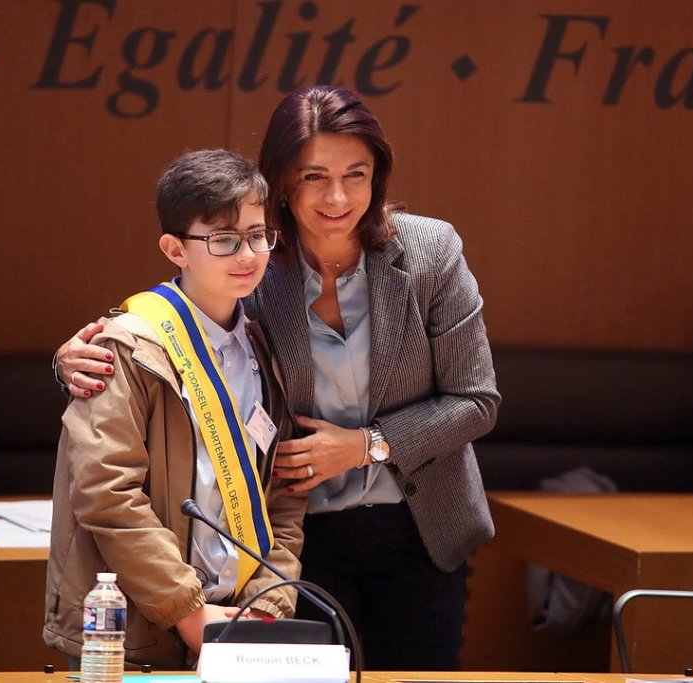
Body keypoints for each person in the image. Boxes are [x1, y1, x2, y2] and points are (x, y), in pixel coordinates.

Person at [54, 85, 501, 670]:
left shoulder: (429, 253)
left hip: (421, 529)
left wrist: (367, 446)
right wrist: (74, 357)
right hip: (300, 538)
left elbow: (477, 400)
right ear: (282, 182)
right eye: (314, 176)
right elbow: (176, 326)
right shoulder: (258, 261)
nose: (337, 196)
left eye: (356, 174)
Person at [43, 149, 307, 670]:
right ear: (175, 249)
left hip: (245, 622)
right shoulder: (126, 346)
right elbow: (107, 494)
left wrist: (269, 606)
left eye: (258, 235)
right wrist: (190, 615)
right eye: (223, 239)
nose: (247, 254)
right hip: (136, 629)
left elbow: (284, 494)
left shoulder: (266, 348)